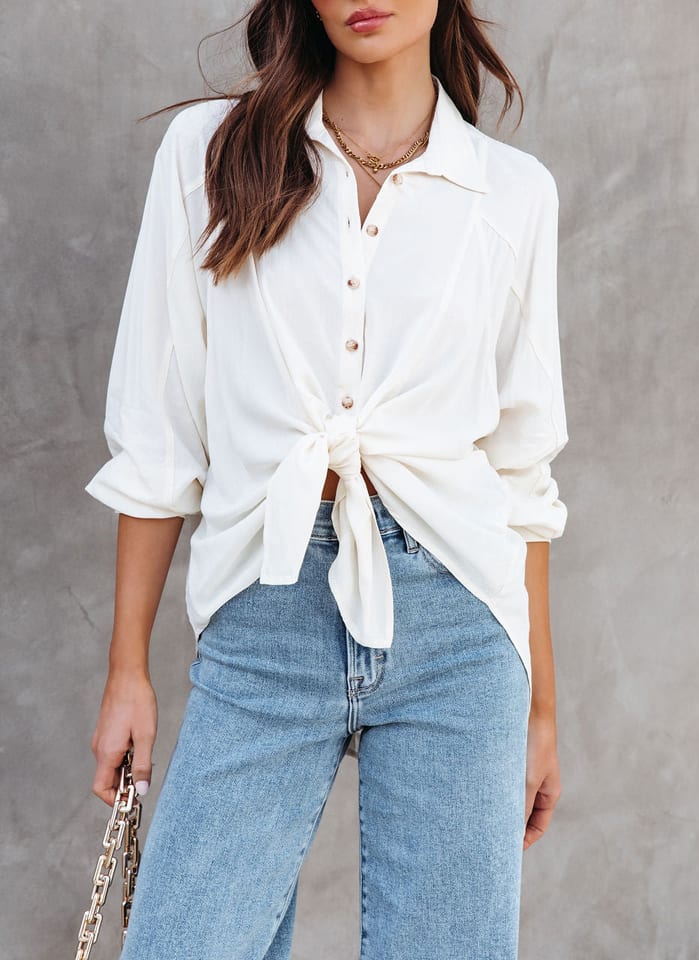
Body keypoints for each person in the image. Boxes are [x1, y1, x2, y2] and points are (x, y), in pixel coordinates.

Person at [85, 1, 570, 957]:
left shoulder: (513, 195)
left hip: (459, 629)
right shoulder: (211, 154)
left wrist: (544, 711)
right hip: (265, 611)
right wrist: (126, 670)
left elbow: (521, 476)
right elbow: (159, 437)